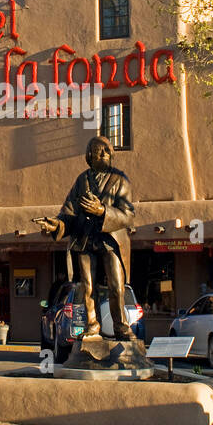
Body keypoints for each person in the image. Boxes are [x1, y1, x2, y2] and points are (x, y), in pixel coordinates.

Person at [34, 136, 135, 339]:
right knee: (88, 287)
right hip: (85, 239)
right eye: (100, 151)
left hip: (110, 240)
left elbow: (128, 215)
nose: (106, 154)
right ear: (89, 156)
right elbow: (69, 211)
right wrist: (57, 224)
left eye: (108, 151)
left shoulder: (120, 180)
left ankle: (121, 327)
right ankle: (92, 325)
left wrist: (102, 211)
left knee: (116, 286)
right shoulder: (82, 181)